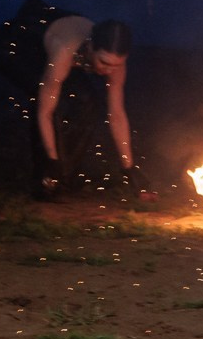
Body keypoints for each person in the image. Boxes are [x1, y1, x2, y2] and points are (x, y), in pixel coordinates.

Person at [35, 13, 135, 199]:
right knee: (50, 104)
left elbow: (117, 115)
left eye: (116, 65)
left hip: (69, 49)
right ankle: (45, 177)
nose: (109, 70)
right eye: (103, 62)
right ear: (90, 47)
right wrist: (51, 160)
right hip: (22, 43)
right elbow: (45, 112)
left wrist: (129, 168)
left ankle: (63, 178)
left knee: (88, 103)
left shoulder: (113, 60)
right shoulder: (64, 50)